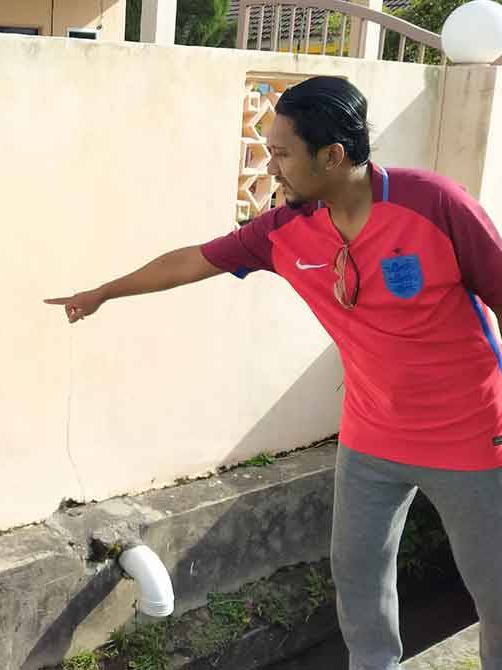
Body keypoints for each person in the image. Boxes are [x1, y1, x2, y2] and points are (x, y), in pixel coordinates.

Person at [45, 76, 502, 670]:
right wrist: (106, 291)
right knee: (359, 579)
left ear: (332, 155)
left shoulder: (434, 204)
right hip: (371, 437)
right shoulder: (286, 230)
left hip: (471, 436)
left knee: (493, 589)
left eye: (283, 152)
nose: (274, 165)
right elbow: (194, 260)